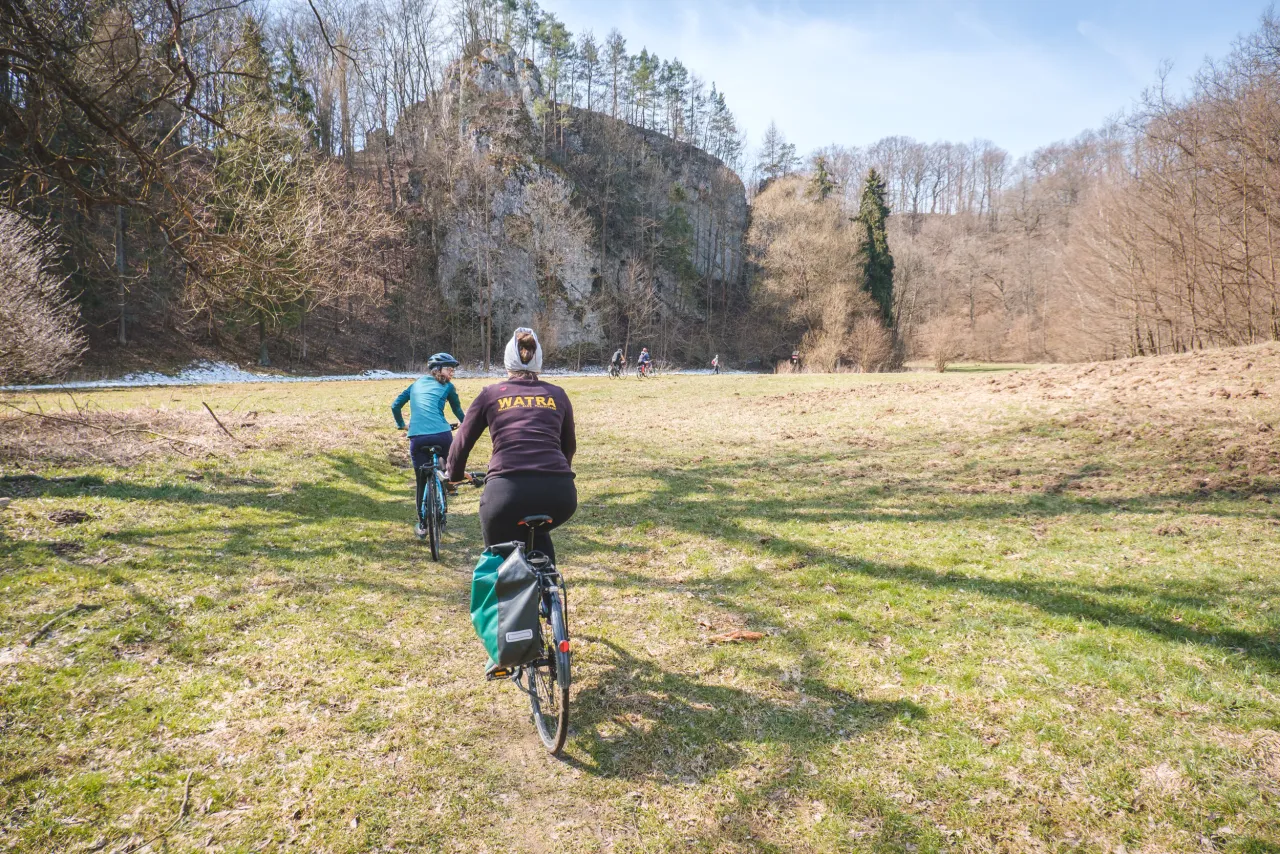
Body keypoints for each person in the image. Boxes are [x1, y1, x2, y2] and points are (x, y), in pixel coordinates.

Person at [447, 328, 577, 562]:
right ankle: (548, 581)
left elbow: (462, 442)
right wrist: (558, 473)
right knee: (539, 532)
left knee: (499, 556)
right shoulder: (557, 394)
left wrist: (454, 475)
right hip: (560, 495)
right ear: (538, 361)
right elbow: (569, 446)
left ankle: (504, 580)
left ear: (507, 362)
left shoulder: (491, 394)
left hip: (505, 493)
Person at [392, 352, 465, 538]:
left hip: (417, 437)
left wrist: (401, 425)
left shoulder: (415, 384)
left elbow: (395, 406)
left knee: (421, 481)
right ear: (438, 370)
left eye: (453, 370)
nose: (452, 373)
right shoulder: (448, 387)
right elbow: (457, 410)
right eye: (449, 369)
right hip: (442, 435)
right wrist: (466, 424)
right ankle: (448, 478)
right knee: (447, 464)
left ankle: (423, 525)